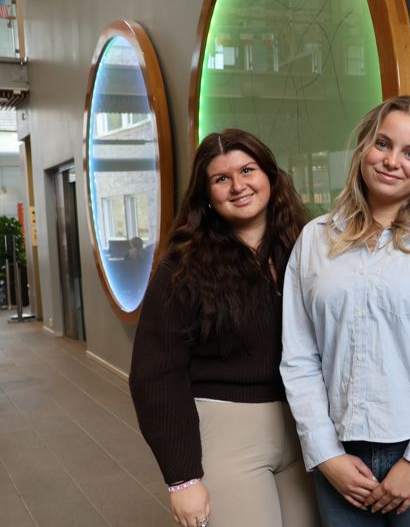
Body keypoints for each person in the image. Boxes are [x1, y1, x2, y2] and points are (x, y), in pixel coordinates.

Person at [281, 95, 410, 526]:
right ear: (363, 150)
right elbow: (299, 360)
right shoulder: (313, 241)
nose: (392, 161)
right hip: (341, 458)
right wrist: (324, 453)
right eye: (382, 144)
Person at [129, 129, 318, 527]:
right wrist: (182, 479)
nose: (238, 186)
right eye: (221, 179)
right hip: (228, 434)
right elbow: (155, 374)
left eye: (247, 170)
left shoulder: (305, 248)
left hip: (302, 429)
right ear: (207, 195)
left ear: (269, 174)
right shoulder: (183, 266)